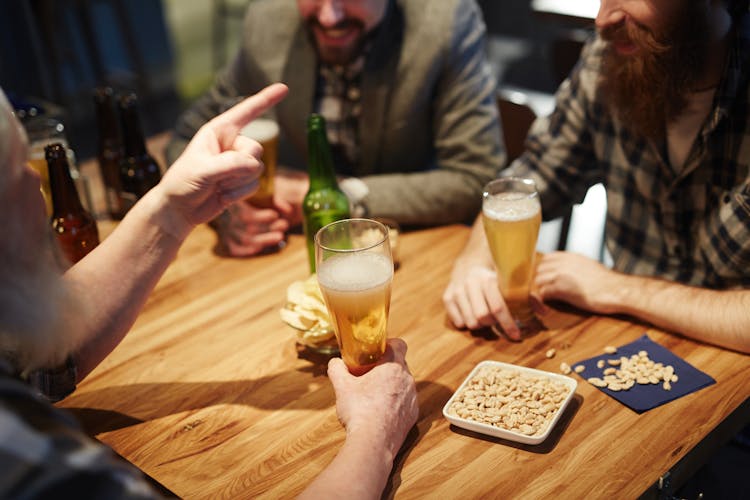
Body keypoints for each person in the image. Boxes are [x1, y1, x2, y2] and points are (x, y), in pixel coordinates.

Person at [0, 85, 418, 497]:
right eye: (20, 170)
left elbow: (37, 359)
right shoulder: (41, 465)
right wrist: (376, 434)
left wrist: (173, 210)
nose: (37, 190)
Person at [443, 0, 750, 354]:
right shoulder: (613, 58)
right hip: (629, 343)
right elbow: (537, 173)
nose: (602, 20)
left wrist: (618, 289)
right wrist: (473, 263)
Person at [165, 0, 504, 257]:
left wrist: (341, 196)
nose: (329, 17)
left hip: (416, 255)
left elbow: (477, 178)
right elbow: (188, 141)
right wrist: (224, 206)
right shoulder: (267, 19)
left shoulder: (445, 20)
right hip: (293, 257)